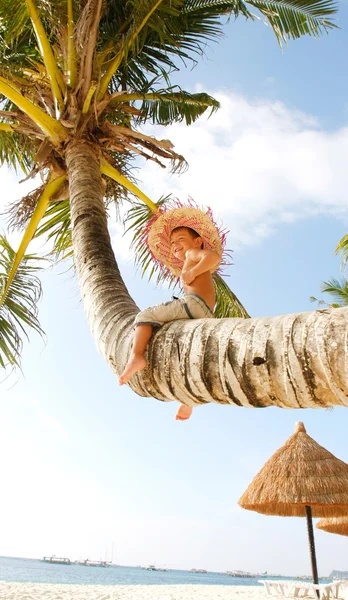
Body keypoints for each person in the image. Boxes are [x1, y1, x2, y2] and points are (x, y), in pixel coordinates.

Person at [119, 204, 226, 421]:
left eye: (181, 239)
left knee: (145, 316)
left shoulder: (194, 254)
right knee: (190, 352)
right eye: (173, 242)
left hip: (194, 304)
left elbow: (214, 257)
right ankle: (188, 401)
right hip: (204, 312)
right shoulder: (190, 259)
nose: (176, 244)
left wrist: (194, 271)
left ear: (197, 241)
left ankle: (137, 356)